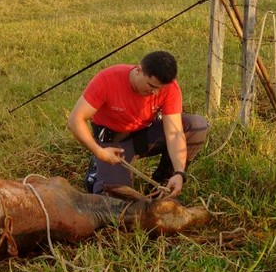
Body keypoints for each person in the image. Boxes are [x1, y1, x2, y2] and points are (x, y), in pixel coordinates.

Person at [67, 50, 208, 198]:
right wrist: (99, 152)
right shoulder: (108, 79)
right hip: (113, 142)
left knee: (196, 126)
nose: (155, 93)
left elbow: (175, 133)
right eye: (151, 86)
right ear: (138, 70)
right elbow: (75, 120)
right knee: (114, 201)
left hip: (143, 136)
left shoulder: (170, 88)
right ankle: (98, 170)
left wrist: (180, 172)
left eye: (160, 88)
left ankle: (163, 185)